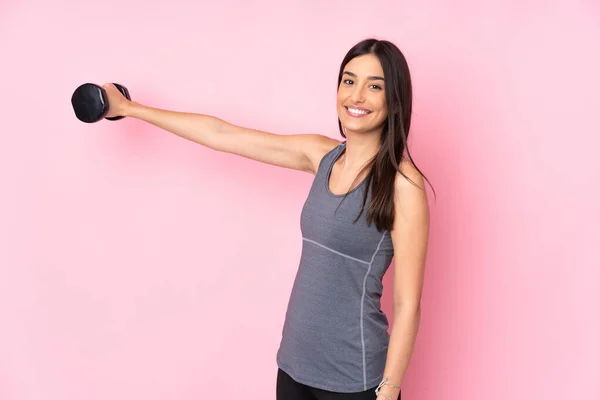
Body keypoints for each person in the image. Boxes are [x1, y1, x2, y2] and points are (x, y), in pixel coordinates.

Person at [101, 38, 432, 400]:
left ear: (394, 99)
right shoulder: (320, 155)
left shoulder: (403, 186)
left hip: (356, 380)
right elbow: (221, 135)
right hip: (293, 365)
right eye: (349, 81)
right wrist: (130, 108)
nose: (356, 96)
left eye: (374, 86)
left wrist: (389, 390)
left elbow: (407, 304)